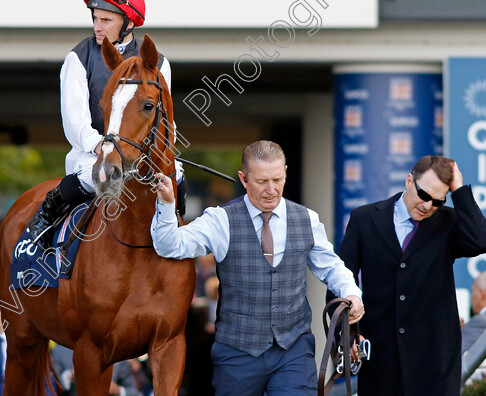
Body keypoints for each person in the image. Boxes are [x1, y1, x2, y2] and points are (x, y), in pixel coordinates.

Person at [150, 140, 363, 396]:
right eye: (262, 182)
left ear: (285, 171)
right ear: (243, 178)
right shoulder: (220, 220)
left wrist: (351, 293)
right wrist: (165, 203)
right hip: (237, 353)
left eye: (278, 179)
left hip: (294, 351)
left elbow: (331, 267)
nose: (271, 189)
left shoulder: (307, 219)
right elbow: (170, 246)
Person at [26, 0, 185, 248]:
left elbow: (165, 119)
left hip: (142, 154)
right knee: (94, 177)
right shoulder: (79, 57)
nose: (98, 27)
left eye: (106, 20)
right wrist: (103, 146)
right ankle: (44, 220)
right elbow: (74, 121)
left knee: (177, 175)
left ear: (129, 23)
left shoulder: (159, 64)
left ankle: (180, 224)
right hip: (93, 153)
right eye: (96, 19)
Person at [334, 155, 486, 396]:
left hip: (435, 358)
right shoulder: (364, 218)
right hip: (380, 355)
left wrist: (459, 190)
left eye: (438, 201)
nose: (428, 205)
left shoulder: (447, 221)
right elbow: (341, 277)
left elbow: (481, 242)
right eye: (424, 195)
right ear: (409, 181)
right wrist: (346, 333)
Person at [51, 344, 141, 396]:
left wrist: (117, 390)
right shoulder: (59, 352)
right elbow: (48, 387)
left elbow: (136, 393)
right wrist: (69, 375)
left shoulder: (117, 353)